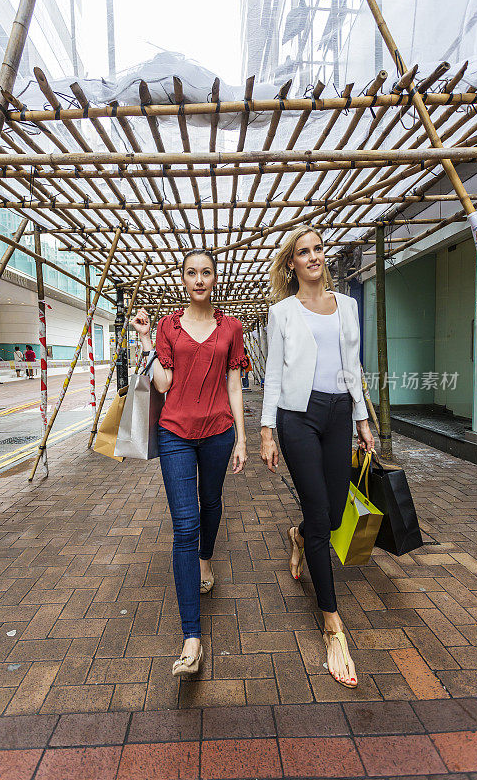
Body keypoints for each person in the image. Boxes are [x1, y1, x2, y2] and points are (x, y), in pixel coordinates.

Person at [260, 225, 375, 689]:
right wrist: (266, 431)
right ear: (292, 264)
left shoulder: (346, 307)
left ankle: (298, 534)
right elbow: (272, 373)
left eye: (318, 248)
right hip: (297, 418)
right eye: (303, 252)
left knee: (329, 512)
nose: (313, 257)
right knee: (320, 513)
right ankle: (332, 625)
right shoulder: (282, 312)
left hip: (339, 413)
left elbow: (354, 366)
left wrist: (363, 419)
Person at [131, 248, 248, 678]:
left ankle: (206, 560)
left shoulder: (231, 327)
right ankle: (191, 637)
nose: (199, 279)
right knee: (185, 525)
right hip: (175, 432)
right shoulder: (167, 326)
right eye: (191, 273)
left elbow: (234, 383)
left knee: (211, 503)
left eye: (206, 272)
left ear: (215, 279)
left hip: (218, 432)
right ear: (183, 279)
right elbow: (164, 382)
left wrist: (241, 437)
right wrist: (145, 339)